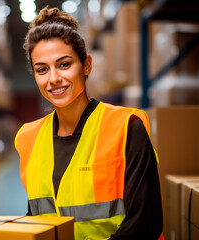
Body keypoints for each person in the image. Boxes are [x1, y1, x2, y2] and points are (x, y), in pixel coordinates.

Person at [14, 6, 164, 240]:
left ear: (86, 66)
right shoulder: (28, 138)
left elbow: (145, 223)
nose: (53, 79)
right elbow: (37, 217)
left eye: (64, 64)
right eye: (42, 69)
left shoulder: (126, 127)